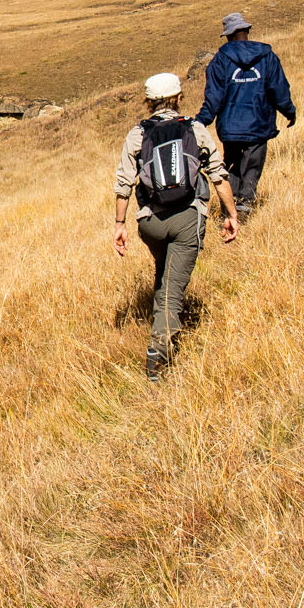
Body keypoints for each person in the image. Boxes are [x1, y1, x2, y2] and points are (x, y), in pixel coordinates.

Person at [113, 72, 240, 380]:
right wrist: (231, 215)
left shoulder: (137, 134)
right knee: (172, 288)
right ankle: (158, 352)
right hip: (187, 217)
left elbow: (123, 184)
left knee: (164, 273)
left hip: (150, 223)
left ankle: (161, 322)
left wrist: (119, 224)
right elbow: (218, 175)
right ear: (179, 98)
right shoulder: (194, 129)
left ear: (148, 102)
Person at [195, 12, 296, 221]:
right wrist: (289, 111)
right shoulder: (267, 57)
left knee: (231, 166)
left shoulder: (220, 60)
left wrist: (199, 122)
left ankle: (230, 211)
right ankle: (244, 207)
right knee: (252, 167)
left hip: (230, 127)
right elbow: (278, 89)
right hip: (259, 124)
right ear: (246, 31)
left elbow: (214, 97)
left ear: (228, 35)